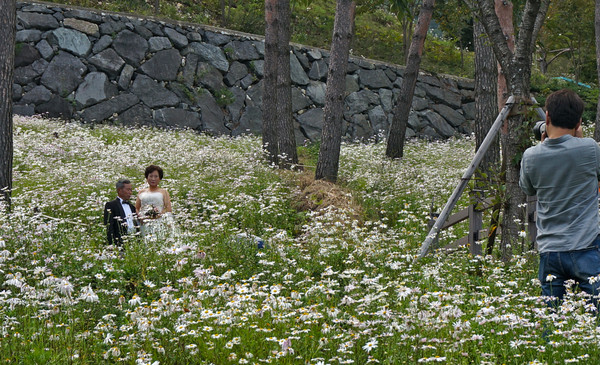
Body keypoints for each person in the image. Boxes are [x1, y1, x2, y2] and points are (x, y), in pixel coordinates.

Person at [519, 89, 600, 308]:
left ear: (547, 117)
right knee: (596, 316)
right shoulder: (590, 149)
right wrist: (580, 141)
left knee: (552, 319)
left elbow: (527, 188)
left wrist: (543, 145)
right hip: (586, 245)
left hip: (549, 249)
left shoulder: (531, 156)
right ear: (578, 121)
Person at [135, 165, 174, 239]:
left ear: (160, 178)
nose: (153, 179)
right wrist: (140, 217)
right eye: (151, 176)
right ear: (147, 177)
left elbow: (168, 208)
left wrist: (157, 215)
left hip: (159, 222)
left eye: (156, 176)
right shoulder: (141, 192)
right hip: (145, 222)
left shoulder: (164, 192)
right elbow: (136, 208)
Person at [104, 179, 138, 246]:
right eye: (128, 190)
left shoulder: (131, 206)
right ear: (119, 190)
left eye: (131, 190)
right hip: (120, 242)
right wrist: (112, 244)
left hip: (134, 241)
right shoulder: (111, 205)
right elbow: (109, 226)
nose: (130, 192)